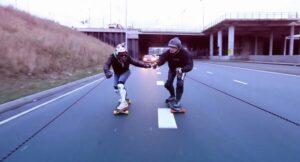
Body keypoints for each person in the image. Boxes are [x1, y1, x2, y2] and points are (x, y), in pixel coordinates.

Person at [103, 43, 151, 111]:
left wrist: (145, 65)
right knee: (116, 89)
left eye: (125, 54)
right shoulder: (112, 56)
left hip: (126, 72)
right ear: (116, 54)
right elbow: (106, 65)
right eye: (121, 54)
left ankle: (123, 103)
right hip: (117, 73)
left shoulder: (127, 57)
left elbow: (135, 62)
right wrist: (107, 72)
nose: (123, 56)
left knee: (120, 85)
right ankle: (125, 98)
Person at [153, 37, 193, 109]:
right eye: (170, 47)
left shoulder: (185, 54)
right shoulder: (168, 52)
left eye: (173, 47)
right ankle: (172, 95)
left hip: (181, 70)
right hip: (172, 69)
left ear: (178, 48)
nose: (171, 49)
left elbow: (190, 66)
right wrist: (157, 64)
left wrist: (182, 69)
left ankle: (177, 100)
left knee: (179, 84)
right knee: (167, 84)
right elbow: (162, 58)